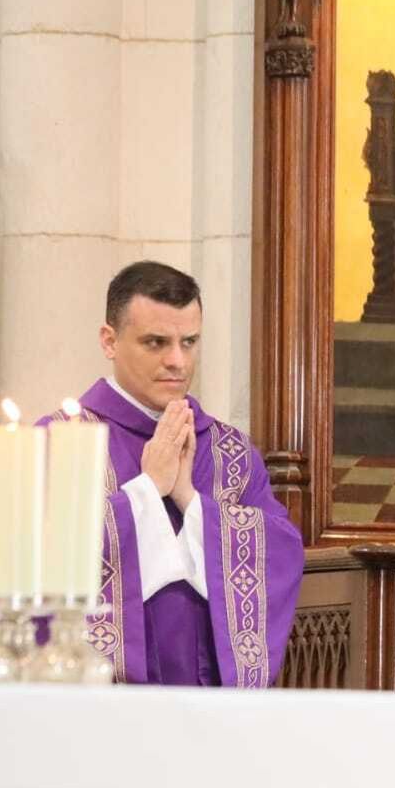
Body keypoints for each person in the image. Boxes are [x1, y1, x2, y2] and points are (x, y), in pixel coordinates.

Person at [41, 262, 303, 686]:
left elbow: (281, 551)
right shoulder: (59, 441)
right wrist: (147, 492)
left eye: (190, 342)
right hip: (103, 706)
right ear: (109, 341)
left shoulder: (230, 452)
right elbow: (38, 554)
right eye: (156, 342)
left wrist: (190, 501)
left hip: (210, 699)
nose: (177, 361)